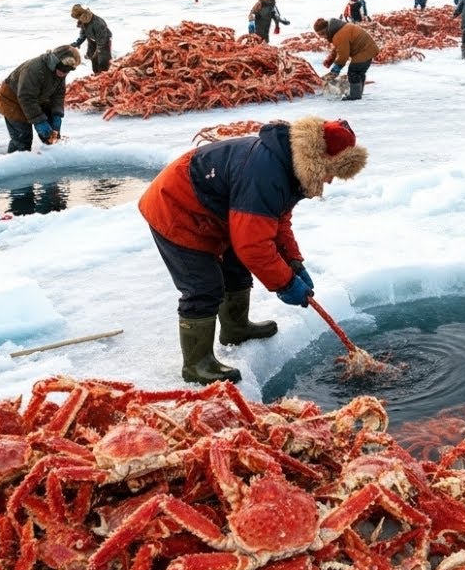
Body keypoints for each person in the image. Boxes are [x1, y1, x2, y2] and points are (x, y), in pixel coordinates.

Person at [139, 116, 368, 384]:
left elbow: (276, 220)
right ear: (319, 160)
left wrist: (293, 262)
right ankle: (197, 364)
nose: (330, 181)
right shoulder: (267, 172)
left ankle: (235, 328)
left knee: (235, 267)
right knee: (204, 287)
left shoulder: (289, 164)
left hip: (216, 214)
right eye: (332, 172)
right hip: (177, 210)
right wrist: (285, 284)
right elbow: (253, 245)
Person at [0, 45, 80, 153]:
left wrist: (57, 115)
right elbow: (26, 97)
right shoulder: (34, 69)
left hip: (38, 99)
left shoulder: (60, 73)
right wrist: (39, 121)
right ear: (55, 62)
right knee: (22, 139)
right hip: (13, 100)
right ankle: (16, 164)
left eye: (69, 71)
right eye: (64, 69)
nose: (65, 73)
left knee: (51, 136)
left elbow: (58, 95)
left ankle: (51, 158)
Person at [314, 16, 379, 101]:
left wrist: (336, 69)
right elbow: (339, 47)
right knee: (359, 73)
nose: (322, 36)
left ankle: (355, 96)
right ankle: (358, 93)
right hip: (369, 49)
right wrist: (330, 59)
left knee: (353, 72)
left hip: (364, 51)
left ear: (326, 29)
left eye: (322, 34)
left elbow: (343, 54)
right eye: (319, 35)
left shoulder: (339, 35)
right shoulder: (338, 30)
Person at [69, 4, 112, 74]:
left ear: (83, 14)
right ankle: (96, 74)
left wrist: (98, 52)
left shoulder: (98, 23)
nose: (78, 19)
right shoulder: (83, 21)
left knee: (103, 61)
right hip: (92, 40)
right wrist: (77, 43)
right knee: (93, 60)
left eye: (78, 17)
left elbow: (102, 40)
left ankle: (104, 75)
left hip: (104, 41)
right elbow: (83, 34)